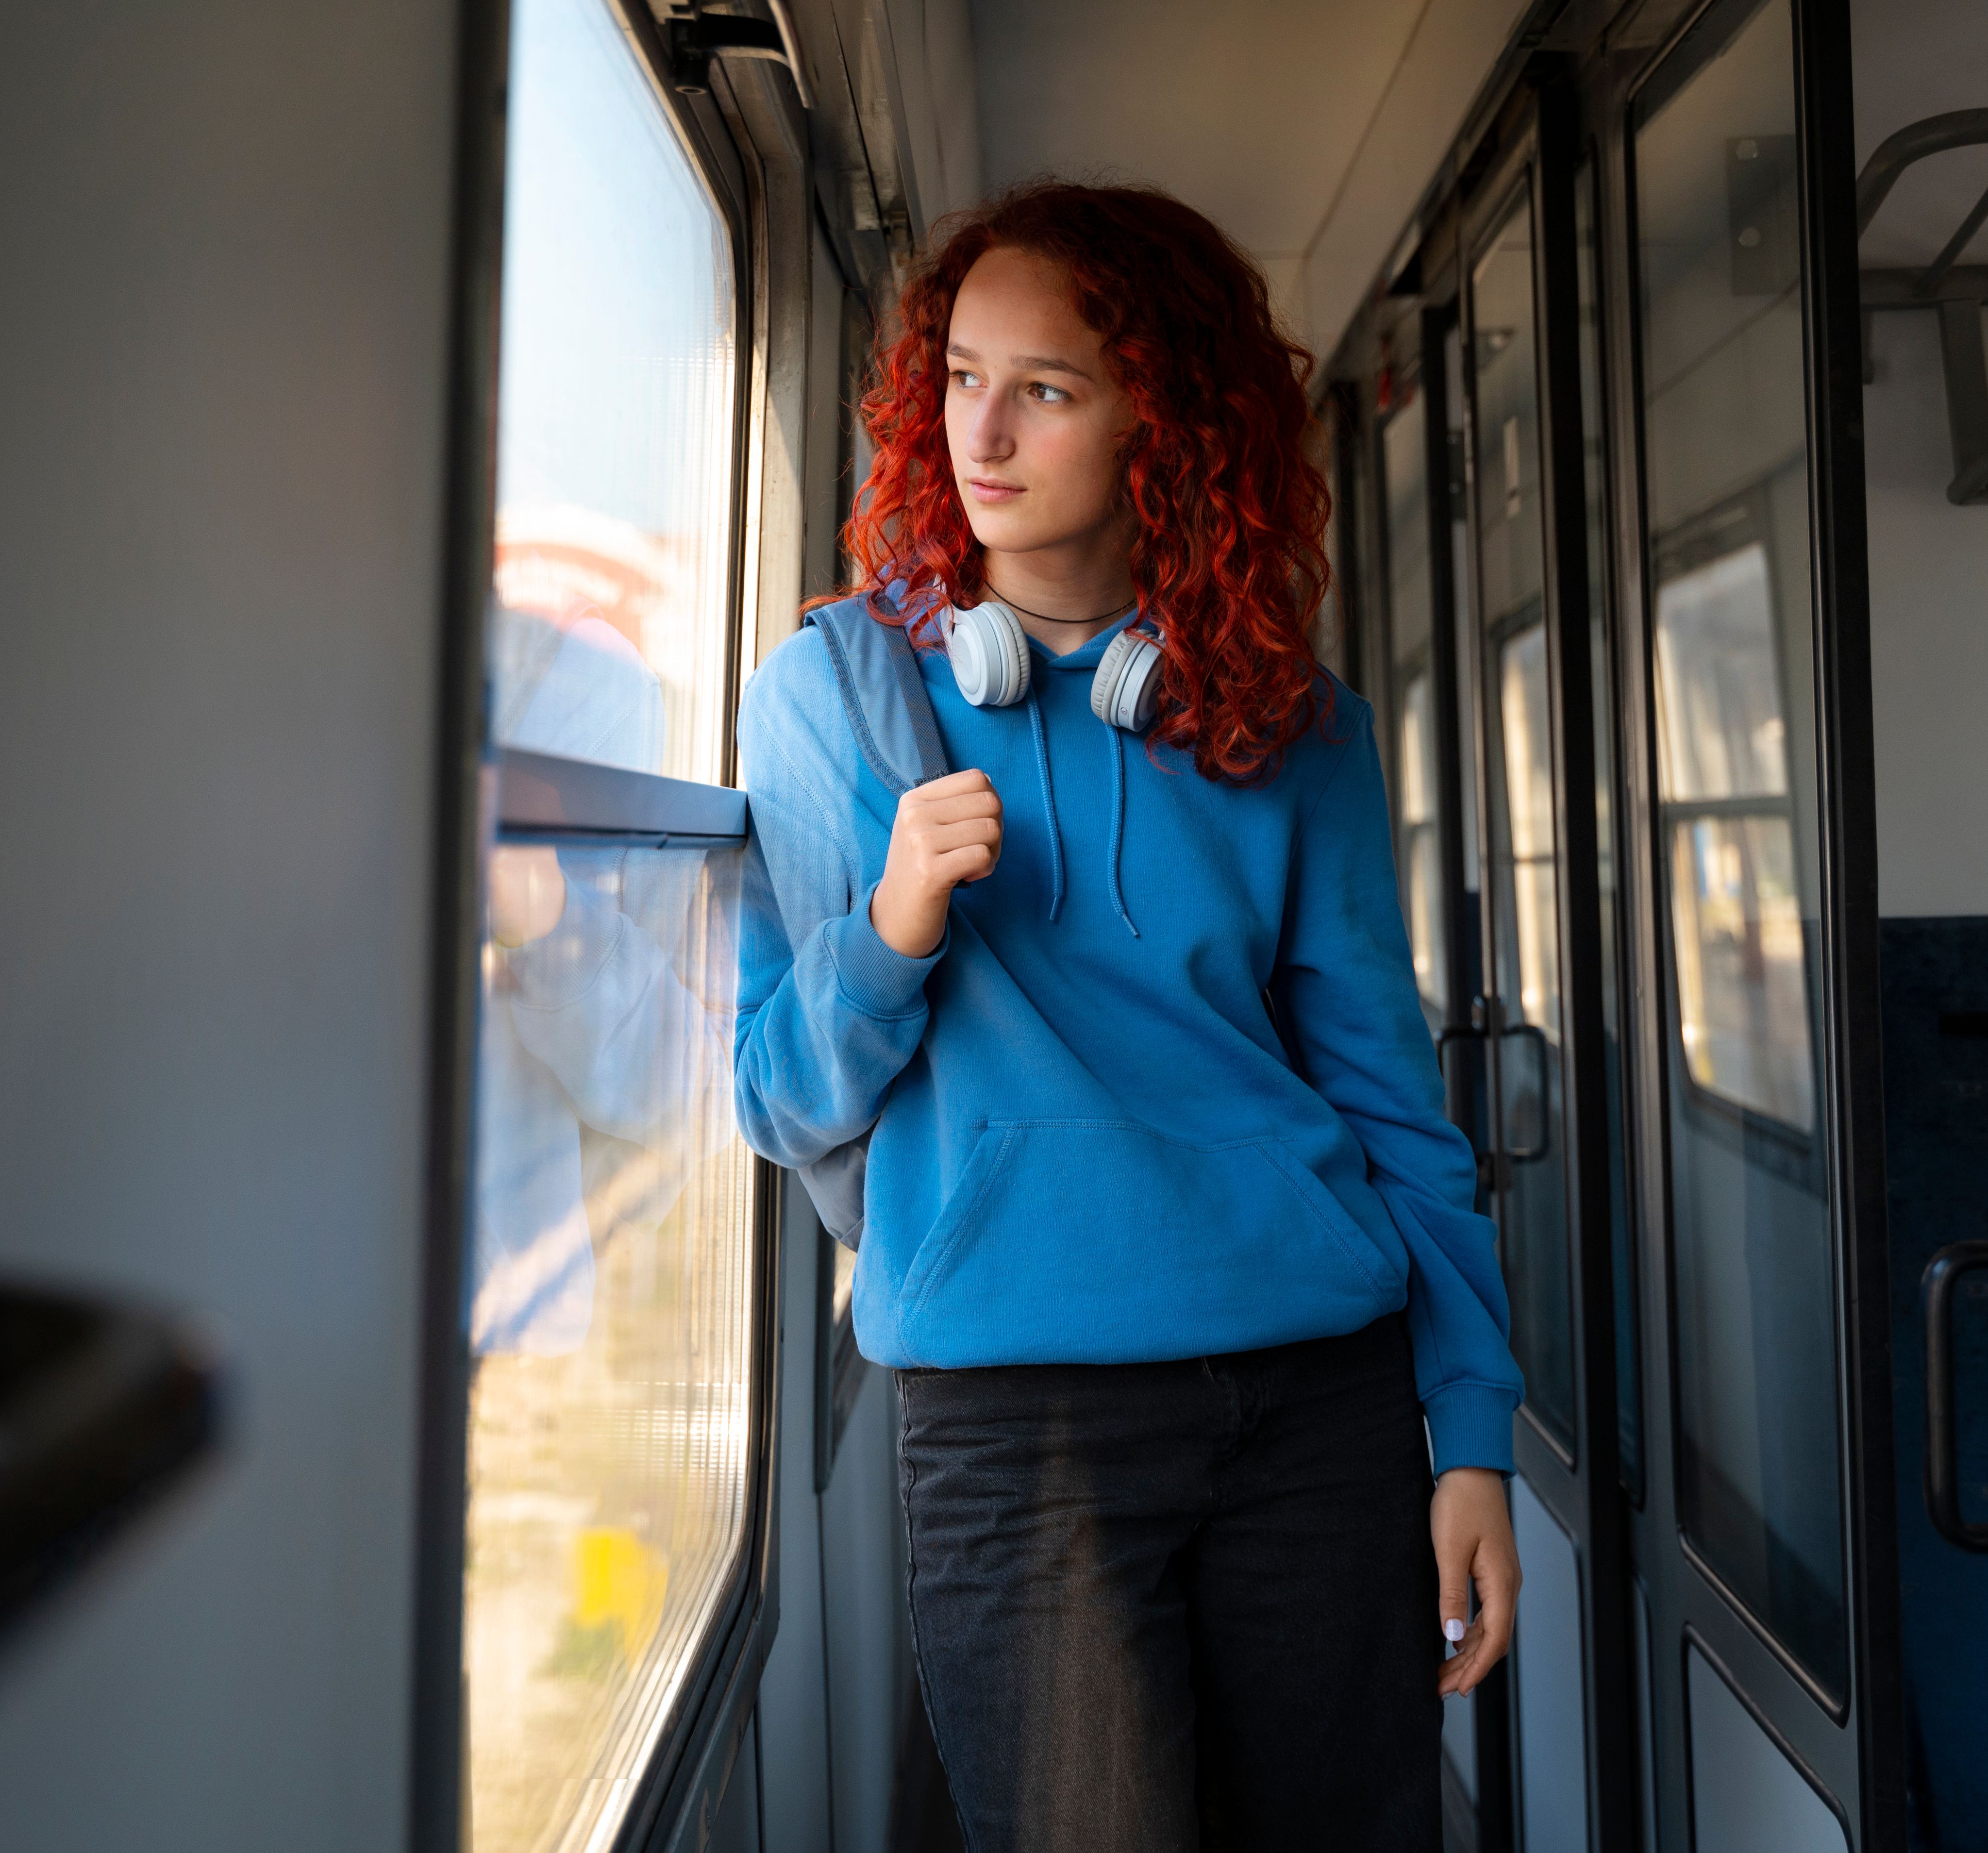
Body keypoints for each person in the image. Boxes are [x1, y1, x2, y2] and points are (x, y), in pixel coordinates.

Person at [731, 181, 1524, 1851]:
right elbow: (778, 1096)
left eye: (1046, 387)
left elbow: (1391, 1104)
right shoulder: (837, 694)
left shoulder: (1294, 725)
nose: (981, 431)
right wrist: (889, 929)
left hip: (1321, 1399)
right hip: (1025, 1430)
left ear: (1162, 420)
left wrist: (1469, 1435)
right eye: (958, 375)